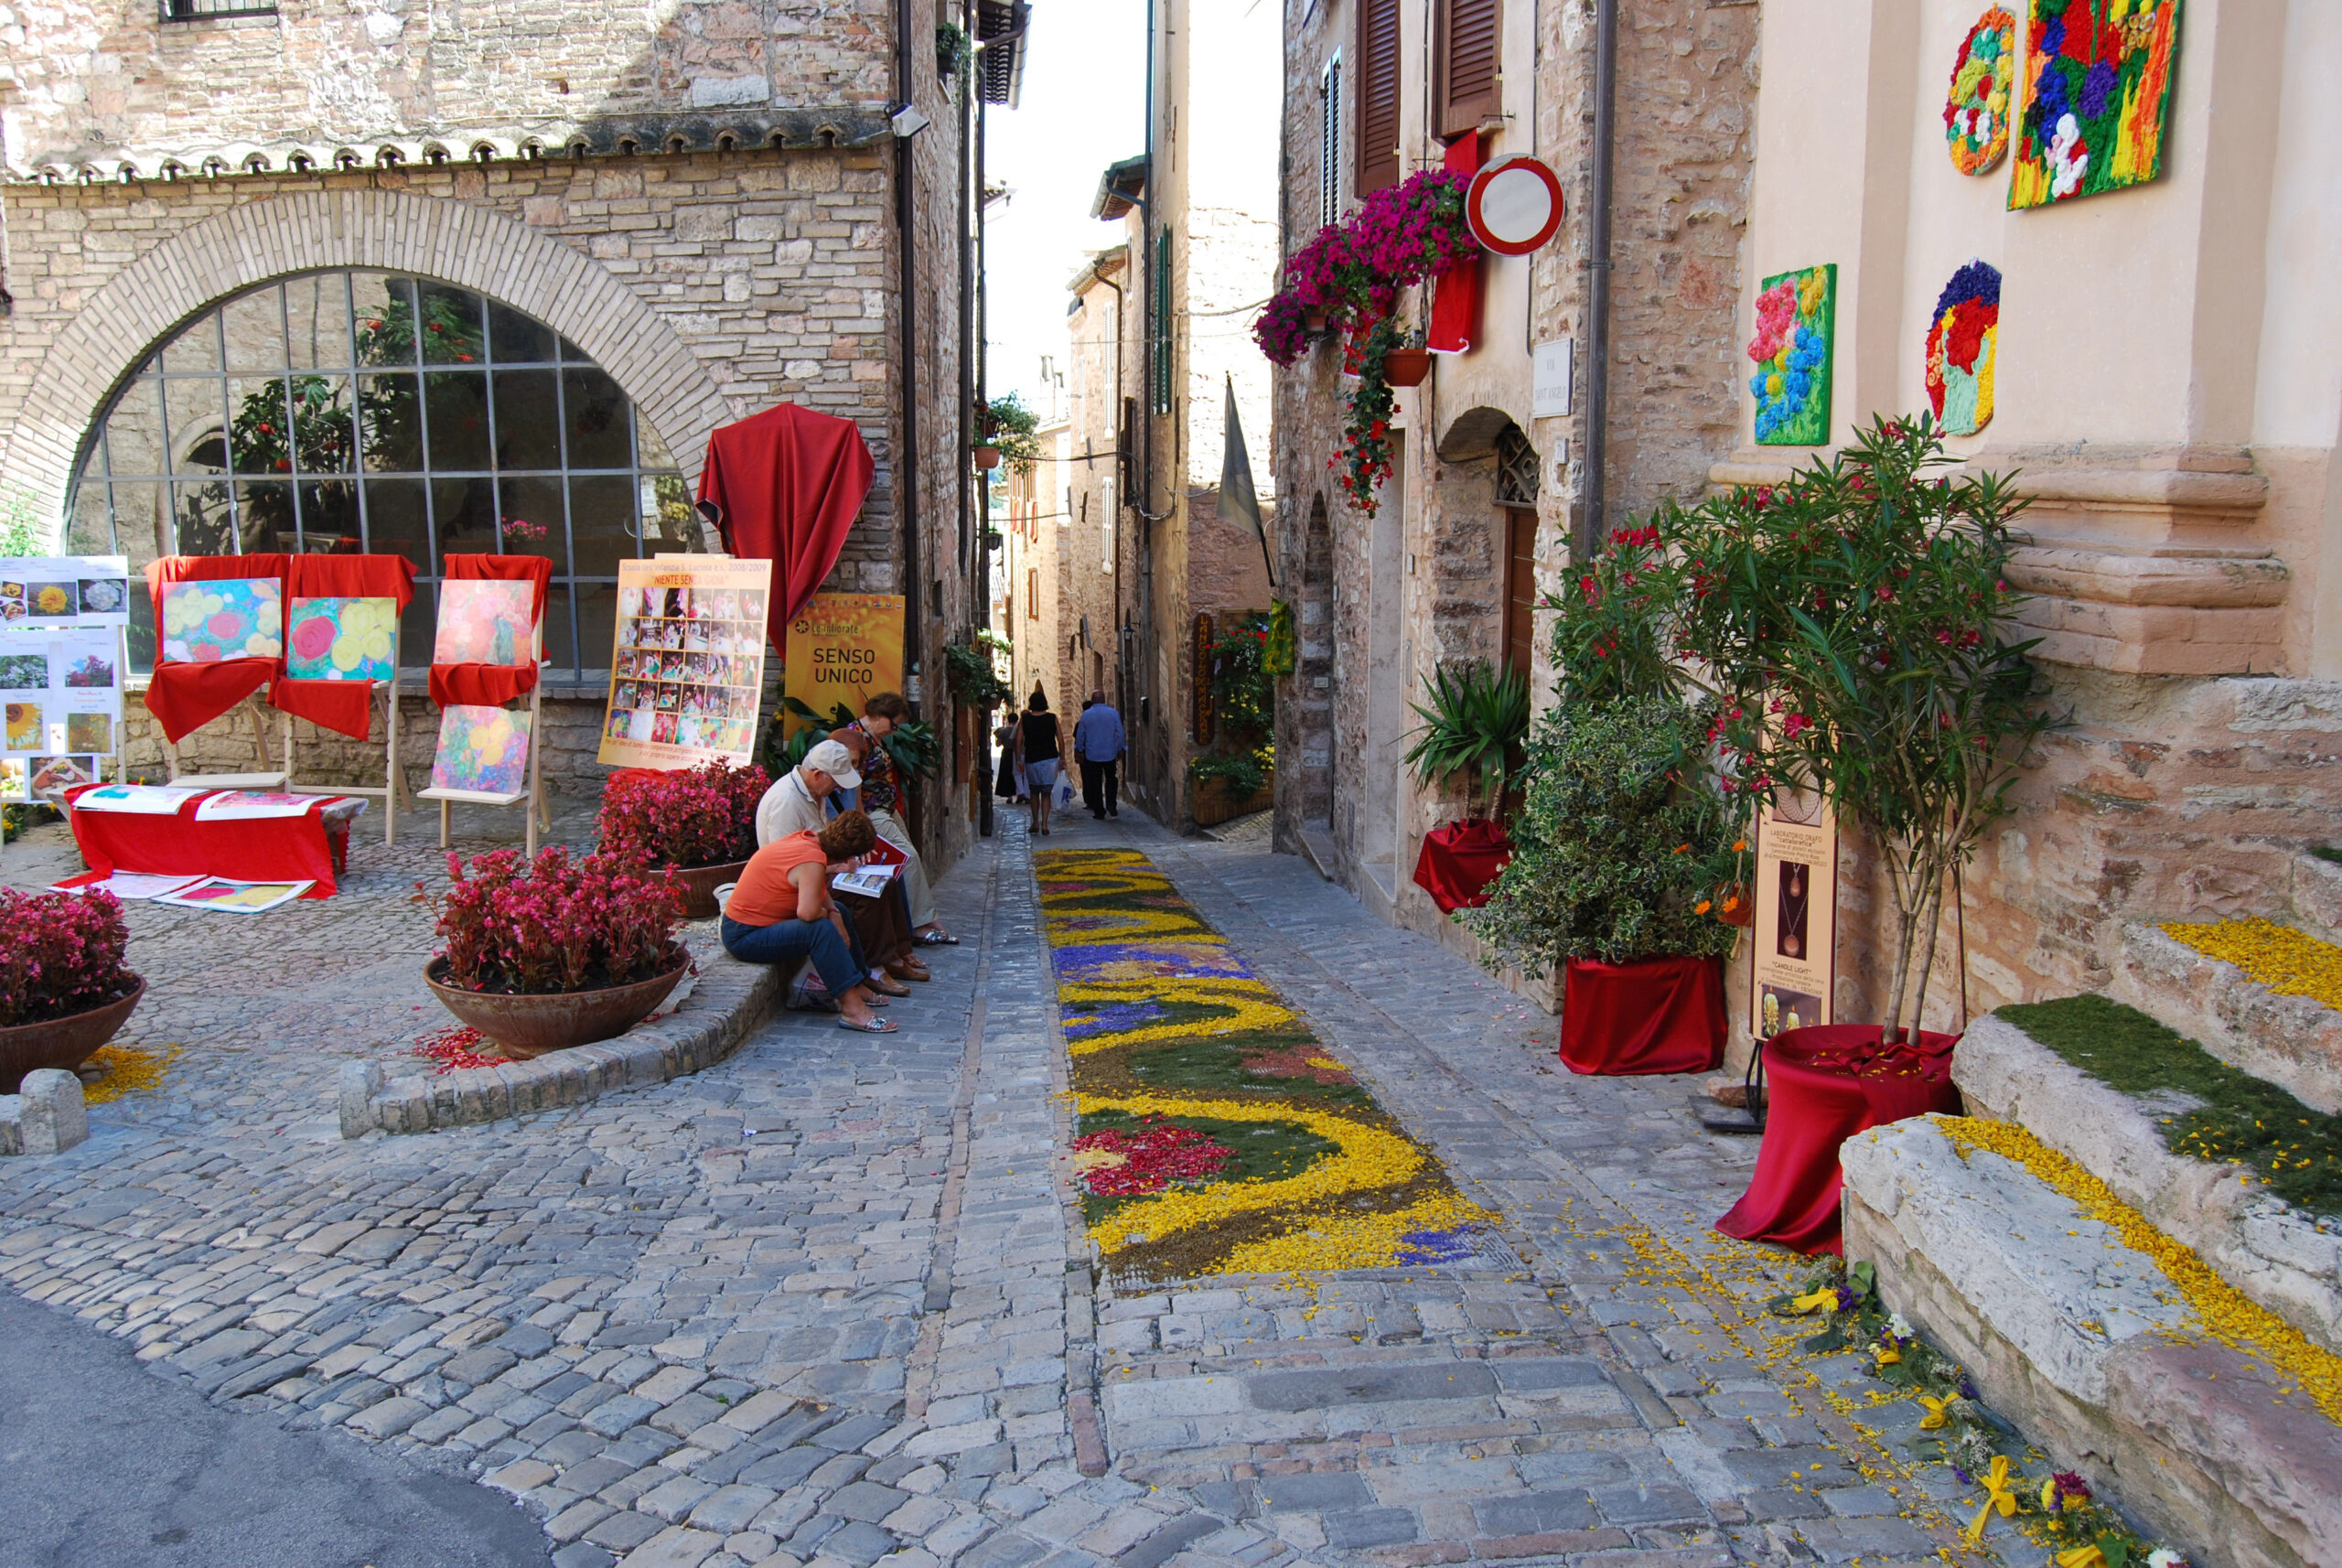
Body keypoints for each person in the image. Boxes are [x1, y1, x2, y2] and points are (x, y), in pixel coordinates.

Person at [753, 736, 926, 984]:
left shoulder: (814, 791)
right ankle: (875, 967)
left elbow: (818, 843)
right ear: (817, 774)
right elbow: (788, 864)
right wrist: (838, 868)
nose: (839, 788)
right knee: (867, 894)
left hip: (816, 868)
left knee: (887, 879)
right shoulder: (788, 802)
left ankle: (897, 954)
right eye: (835, 781)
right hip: (795, 884)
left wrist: (848, 860)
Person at [721, 810, 897, 1033]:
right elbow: (807, 913)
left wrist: (834, 913)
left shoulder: (808, 840)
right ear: (847, 856)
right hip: (744, 934)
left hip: (749, 924)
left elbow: (818, 891)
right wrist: (831, 918)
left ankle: (857, 982)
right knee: (820, 929)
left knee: (839, 910)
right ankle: (853, 1009)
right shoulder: (812, 859)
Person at [845, 692, 957, 945]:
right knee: (907, 859)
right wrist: (860, 820)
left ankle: (922, 920)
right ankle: (919, 925)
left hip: (886, 808)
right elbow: (853, 785)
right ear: (879, 716)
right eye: (893, 725)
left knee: (906, 859)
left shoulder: (874, 738)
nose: (894, 731)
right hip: (873, 813)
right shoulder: (857, 738)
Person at [1072, 687, 1125, 821]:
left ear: (1092, 701)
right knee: (1111, 779)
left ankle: (1099, 811)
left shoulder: (1086, 715)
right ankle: (1111, 804)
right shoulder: (1113, 713)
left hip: (1092, 754)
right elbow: (1120, 732)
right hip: (1109, 753)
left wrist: (1079, 749)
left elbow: (1080, 735)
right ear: (1104, 700)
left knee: (1095, 782)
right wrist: (1120, 748)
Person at [1019, 687, 1066, 836]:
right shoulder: (1052, 718)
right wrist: (1063, 757)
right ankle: (1045, 823)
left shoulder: (1025, 719)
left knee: (1034, 791)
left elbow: (1018, 740)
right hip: (1050, 758)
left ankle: (1035, 822)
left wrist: (1017, 759)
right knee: (1046, 792)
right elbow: (1060, 738)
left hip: (1032, 759)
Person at [994, 713, 1025, 803]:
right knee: (1019, 774)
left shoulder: (1003, 731)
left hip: (1006, 754)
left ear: (1008, 720)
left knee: (1007, 774)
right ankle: (1021, 793)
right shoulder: (1020, 730)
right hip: (1016, 752)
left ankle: (1010, 796)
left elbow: (998, 744)